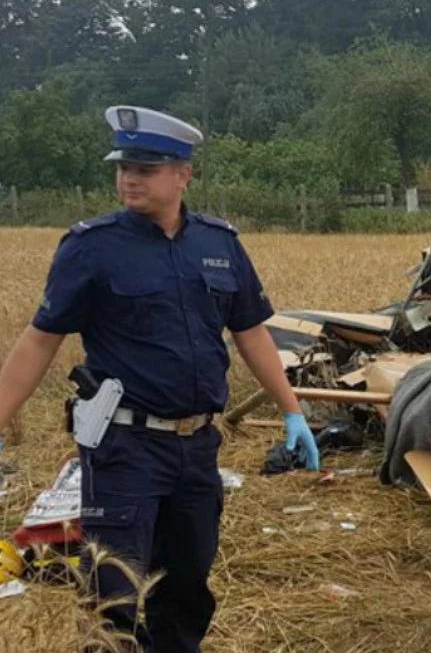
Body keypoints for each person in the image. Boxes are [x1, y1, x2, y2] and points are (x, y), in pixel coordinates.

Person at [0, 106, 320, 652]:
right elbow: (40, 339)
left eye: (146, 168)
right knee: (113, 592)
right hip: (124, 448)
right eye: (124, 166)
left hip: (197, 448)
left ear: (183, 174)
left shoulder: (218, 245)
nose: (130, 178)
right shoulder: (91, 248)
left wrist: (292, 410)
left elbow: (251, 333)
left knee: (187, 587)